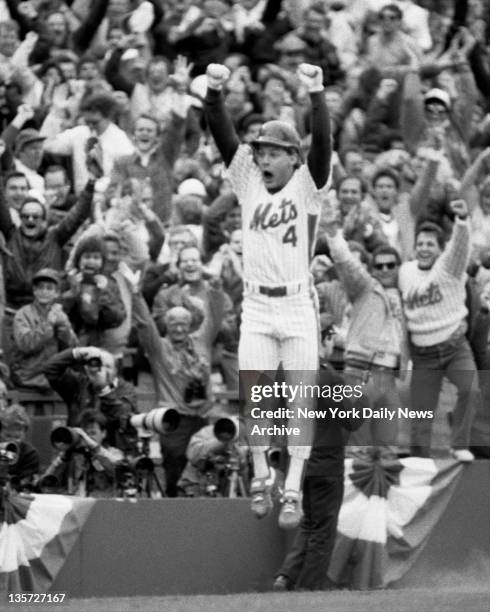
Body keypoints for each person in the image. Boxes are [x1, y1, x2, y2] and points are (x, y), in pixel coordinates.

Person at [204, 61, 331, 529]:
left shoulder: (306, 185)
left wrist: (316, 94)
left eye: (274, 152)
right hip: (257, 305)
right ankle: (261, 476)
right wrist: (215, 91)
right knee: (254, 396)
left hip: (297, 304)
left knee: (300, 401)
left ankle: (293, 486)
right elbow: (221, 132)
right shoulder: (249, 183)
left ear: (293, 157)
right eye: (261, 151)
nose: (263, 159)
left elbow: (323, 151)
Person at [272, 327, 362, 591]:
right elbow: (352, 421)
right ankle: (310, 588)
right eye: (331, 339)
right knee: (321, 530)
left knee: (310, 524)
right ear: (322, 342)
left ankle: (286, 576)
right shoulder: (329, 378)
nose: (335, 345)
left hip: (295, 467)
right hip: (325, 464)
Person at [398, 200, 478, 461]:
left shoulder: (449, 268)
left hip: (455, 347)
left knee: (471, 389)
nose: (423, 248)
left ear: (440, 249)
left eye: (430, 244)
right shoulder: (405, 272)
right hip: (423, 355)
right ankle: (418, 464)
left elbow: (460, 247)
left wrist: (462, 221)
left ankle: (459, 445)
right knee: (421, 417)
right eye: (420, 244)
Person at [323, 209, 408, 457]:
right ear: (372, 270)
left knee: (388, 448)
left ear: (399, 267)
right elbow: (346, 262)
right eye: (378, 266)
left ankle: (383, 495)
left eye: (390, 265)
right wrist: (332, 232)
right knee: (356, 446)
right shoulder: (366, 288)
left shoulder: (406, 295)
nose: (384, 269)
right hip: (361, 372)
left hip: (389, 376)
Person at [43, 346, 138, 454]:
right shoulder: (80, 383)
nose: (102, 371)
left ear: (116, 371)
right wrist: (77, 353)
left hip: (111, 452)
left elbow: (122, 413)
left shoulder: (126, 389)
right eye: (99, 365)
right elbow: (50, 369)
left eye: (108, 366)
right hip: (78, 448)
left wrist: (104, 389)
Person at [11, 268, 76, 390]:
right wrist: (48, 324)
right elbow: (26, 345)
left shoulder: (59, 314)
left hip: (53, 376)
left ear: (57, 293)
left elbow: (71, 347)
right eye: (40, 288)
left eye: (49, 288)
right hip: (28, 376)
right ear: (34, 291)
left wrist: (64, 326)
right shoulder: (22, 314)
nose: (44, 291)